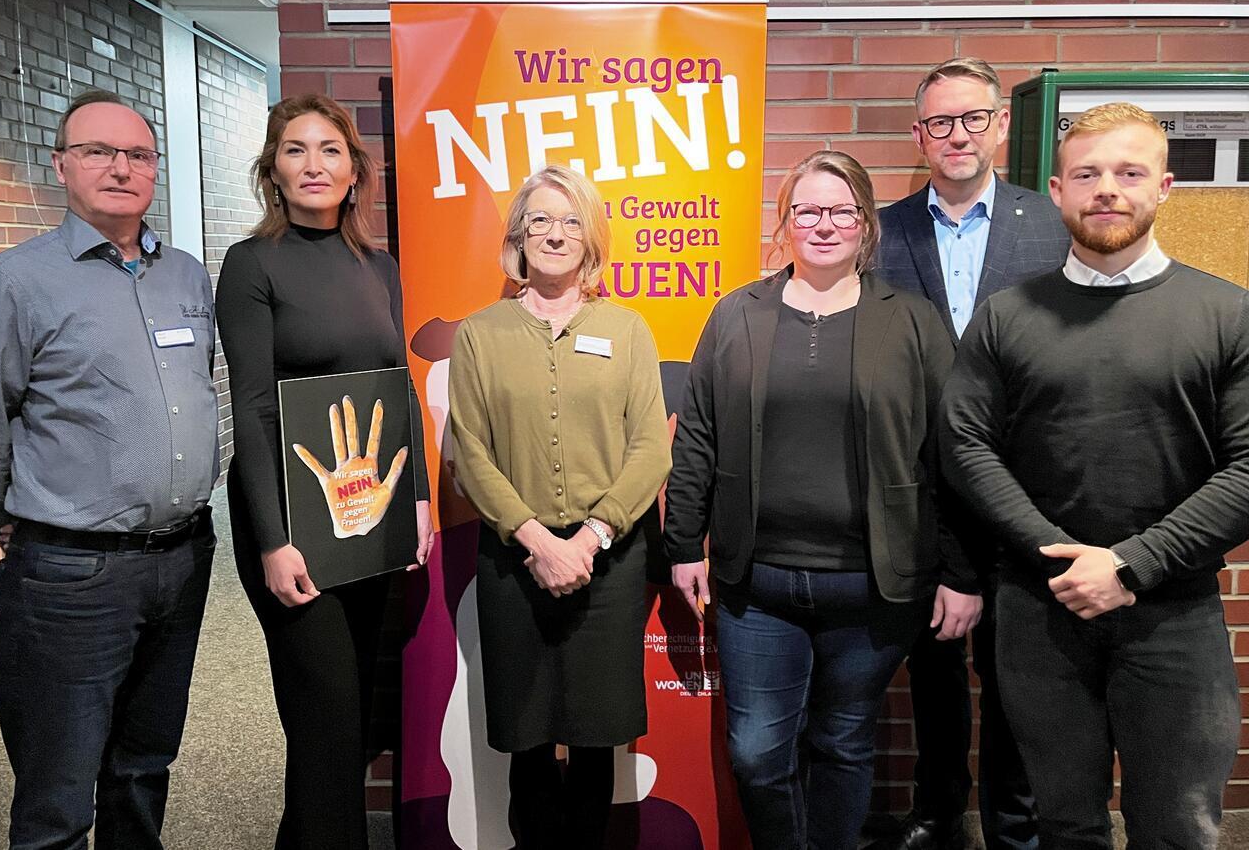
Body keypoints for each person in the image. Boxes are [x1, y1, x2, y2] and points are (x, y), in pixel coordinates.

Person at [941, 102, 1249, 849]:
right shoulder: (1005, 317)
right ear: (1058, 191)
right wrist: (1059, 558)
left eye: (1129, 172)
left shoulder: (1232, 315)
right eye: (1087, 174)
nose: (1108, 190)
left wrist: (1130, 564)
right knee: (1062, 823)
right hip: (1039, 610)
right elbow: (964, 444)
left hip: (1174, 614)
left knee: (1178, 825)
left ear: (1164, 187)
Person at [664, 150, 977, 850]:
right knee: (756, 752)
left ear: (865, 223)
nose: (825, 225)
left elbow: (951, 453)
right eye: (807, 211)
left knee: (843, 742)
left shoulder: (912, 320)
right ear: (785, 222)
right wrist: (683, 541)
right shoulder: (737, 314)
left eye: (842, 211)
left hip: (874, 587)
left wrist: (961, 571)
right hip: (757, 586)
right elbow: (699, 435)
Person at [0, 90, 219, 850]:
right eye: (98, 151)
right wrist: (18, 518)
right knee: (58, 796)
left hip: (184, 558)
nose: (120, 168)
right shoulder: (12, 283)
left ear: (155, 169)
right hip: (71, 575)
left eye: (138, 155)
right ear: (61, 165)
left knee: (144, 765)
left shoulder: (186, 276)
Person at [215, 94, 433, 849]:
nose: (314, 164)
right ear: (272, 170)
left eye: (330, 149)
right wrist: (274, 541)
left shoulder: (378, 266)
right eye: (296, 149)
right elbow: (250, 408)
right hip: (289, 520)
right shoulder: (251, 264)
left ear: (354, 171)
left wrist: (419, 498)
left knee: (343, 721)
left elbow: (398, 384)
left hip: (366, 512)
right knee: (326, 717)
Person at [873, 57, 1069, 850]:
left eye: (973, 118)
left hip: (1027, 499)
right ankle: (939, 812)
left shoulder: (1052, 225)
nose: (958, 135)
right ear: (919, 134)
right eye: (940, 122)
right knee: (933, 671)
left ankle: (1013, 826)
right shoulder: (881, 232)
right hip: (920, 496)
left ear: (1002, 124)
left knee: (1018, 679)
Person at [448, 164, 671, 850]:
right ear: (518, 236)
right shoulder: (479, 334)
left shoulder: (627, 330)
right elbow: (470, 451)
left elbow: (650, 449)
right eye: (540, 219)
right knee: (528, 741)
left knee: (598, 740)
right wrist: (539, 541)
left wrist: (590, 536)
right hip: (515, 564)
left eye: (572, 220)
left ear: (591, 238)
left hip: (609, 564)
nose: (555, 233)